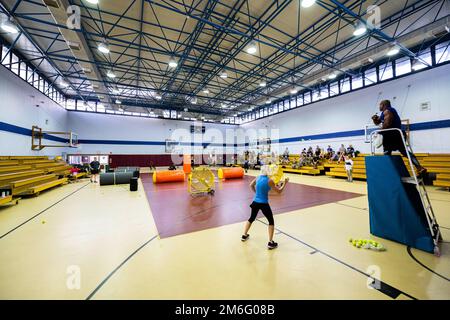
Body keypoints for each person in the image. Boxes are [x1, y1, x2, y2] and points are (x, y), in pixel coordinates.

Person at [372, 100, 426, 176]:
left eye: (380, 105)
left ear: (383, 105)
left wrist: (379, 132)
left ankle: (389, 172)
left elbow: (387, 124)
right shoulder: (386, 112)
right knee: (405, 152)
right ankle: (419, 167)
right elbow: (378, 122)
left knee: (387, 152)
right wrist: (375, 119)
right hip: (398, 134)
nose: (379, 107)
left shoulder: (387, 111)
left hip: (392, 134)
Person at [241, 165, 289, 250]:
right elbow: (279, 191)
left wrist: (256, 193)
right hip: (263, 204)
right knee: (271, 221)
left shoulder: (258, 177)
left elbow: (251, 185)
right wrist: (285, 183)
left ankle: (244, 235)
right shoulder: (269, 181)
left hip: (255, 202)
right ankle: (270, 243)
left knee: (251, 218)